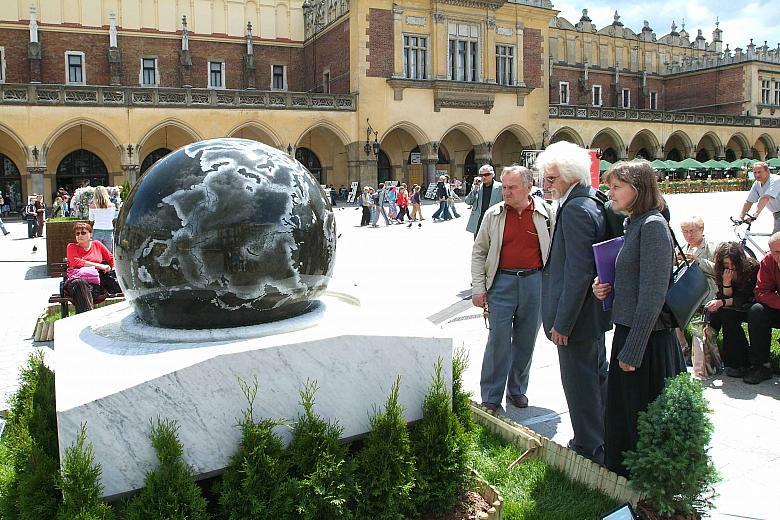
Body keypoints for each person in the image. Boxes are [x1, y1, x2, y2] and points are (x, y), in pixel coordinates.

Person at [592, 160, 686, 477]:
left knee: (640, 418)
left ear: (638, 189)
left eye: (617, 186)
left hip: (647, 342)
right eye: (609, 185)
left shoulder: (653, 227)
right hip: (631, 333)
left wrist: (632, 350)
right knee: (624, 415)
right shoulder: (634, 223)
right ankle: (624, 482)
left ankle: (642, 489)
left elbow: (653, 295)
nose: (610, 192)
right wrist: (607, 288)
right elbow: (634, 281)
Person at [535, 141, 611, 465]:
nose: (546, 185)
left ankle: (588, 448)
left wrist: (561, 324)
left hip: (577, 320)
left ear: (569, 176)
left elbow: (578, 273)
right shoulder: (590, 201)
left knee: (580, 387)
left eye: (551, 179)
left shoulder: (577, 209)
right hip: (590, 315)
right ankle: (602, 439)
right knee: (595, 380)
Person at [470, 166, 554, 411]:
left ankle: (517, 389)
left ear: (529, 187)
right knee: (498, 341)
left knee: (526, 340)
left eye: (512, 187)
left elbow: (556, 251)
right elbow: (479, 252)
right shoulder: (493, 215)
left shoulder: (545, 212)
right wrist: (478, 287)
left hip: (534, 282)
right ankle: (491, 396)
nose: (506, 192)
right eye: (504, 187)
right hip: (502, 283)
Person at [703, 241, 759, 377]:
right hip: (730, 304)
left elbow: (743, 297)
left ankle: (740, 362)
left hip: (749, 304)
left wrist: (721, 302)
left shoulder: (752, 267)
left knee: (726, 313)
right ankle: (708, 355)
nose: (730, 268)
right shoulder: (721, 271)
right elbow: (725, 296)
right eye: (726, 265)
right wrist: (726, 283)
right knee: (716, 313)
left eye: (733, 264)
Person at [675, 216, 717, 361]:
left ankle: (692, 351)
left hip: (705, 289)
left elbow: (718, 270)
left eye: (692, 231)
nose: (688, 235)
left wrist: (698, 261)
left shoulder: (711, 246)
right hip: (686, 290)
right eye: (684, 231)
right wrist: (674, 261)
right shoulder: (682, 246)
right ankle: (682, 346)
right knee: (668, 307)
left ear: (701, 229)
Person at [745, 232, 780, 384]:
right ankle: (761, 365)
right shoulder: (768, 261)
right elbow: (761, 292)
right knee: (757, 311)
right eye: (777, 252)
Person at [65, 222, 117, 314]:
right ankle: (87, 318)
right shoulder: (71, 247)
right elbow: (76, 262)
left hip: (95, 283)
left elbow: (111, 258)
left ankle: (84, 319)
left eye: (83, 233)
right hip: (75, 282)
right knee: (80, 284)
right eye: (77, 233)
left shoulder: (97, 245)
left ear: (90, 234)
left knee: (84, 293)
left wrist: (112, 269)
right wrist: (99, 265)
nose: (80, 235)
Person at [738, 162, 780, 233]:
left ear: (767, 171)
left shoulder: (776, 180)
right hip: (776, 214)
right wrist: (741, 217)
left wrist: (755, 214)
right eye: (755, 172)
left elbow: (765, 198)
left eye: (759, 172)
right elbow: (749, 201)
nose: (757, 175)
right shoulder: (757, 183)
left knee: (774, 241)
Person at [465, 164, 503, 237]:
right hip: (479, 220)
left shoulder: (500, 187)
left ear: (493, 174)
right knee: (478, 245)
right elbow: (468, 202)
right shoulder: (477, 187)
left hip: (494, 220)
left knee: (493, 244)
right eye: (481, 175)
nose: (484, 177)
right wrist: (475, 189)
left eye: (487, 174)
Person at [88, 186, 117, 253]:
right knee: (109, 253)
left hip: (97, 229)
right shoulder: (112, 205)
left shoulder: (93, 206)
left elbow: (91, 219)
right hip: (109, 230)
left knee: (96, 252)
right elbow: (112, 218)